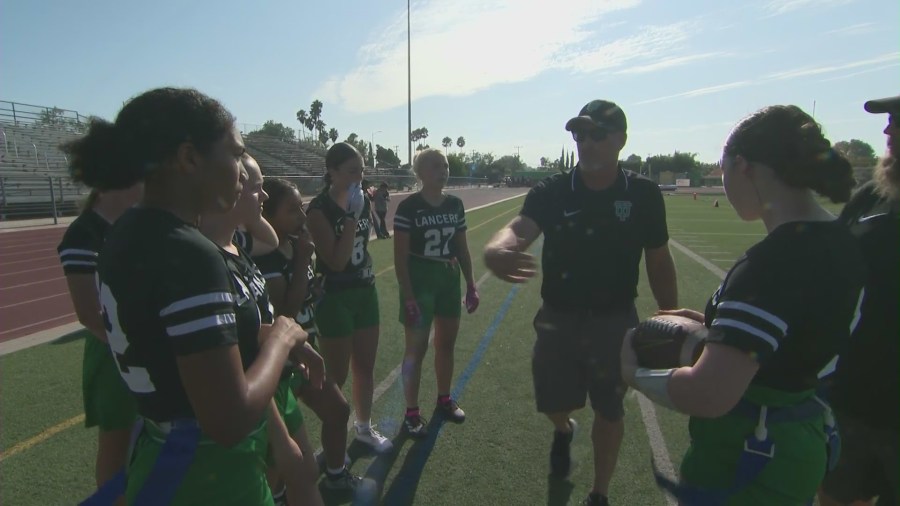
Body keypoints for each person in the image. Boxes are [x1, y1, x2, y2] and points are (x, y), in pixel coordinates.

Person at [72, 87, 308, 505]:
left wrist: (259, 335)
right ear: (189, 158)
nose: (241, 170)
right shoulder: (188, 253)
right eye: (235, 155)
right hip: (205, 472)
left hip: (162, 452)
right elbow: (229, 419)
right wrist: (282, 340)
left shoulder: (127, 232)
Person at [621, 105, 865, 506]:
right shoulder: (841, 241)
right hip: (801, 440)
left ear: (744, 166)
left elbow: (710, 394)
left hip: (750, 457)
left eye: (724, 169)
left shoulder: (772, 263)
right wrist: (716, 327)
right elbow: (794, 336)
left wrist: (634, 372)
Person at [484, 99, 678, 506]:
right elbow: (519, 229)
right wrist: (498, 249)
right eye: (579, 135)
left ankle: (599, 494)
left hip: (615, 320)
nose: (586, 143)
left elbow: (658, 260)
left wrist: (671, 315)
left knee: (610, 409)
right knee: (554, 401)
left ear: (621, 140)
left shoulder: (642, 194)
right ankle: (563, 428)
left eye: (597, 134)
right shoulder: (554, 190)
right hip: (558, 318)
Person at [200, 156, 324, 506]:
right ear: (229, 190)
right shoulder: (205, 260)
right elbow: (231, 355)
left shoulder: (237, 245)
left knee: (303, 473)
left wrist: (289, 342)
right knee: (287, 474)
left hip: (269, 383)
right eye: (256, 187)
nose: (265, 197)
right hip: (248, 401)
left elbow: (250, 327)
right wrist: (283, 339)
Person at [254, 177, 364, 492]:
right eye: (292, 210)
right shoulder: (268, 257)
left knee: (338, 410)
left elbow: (300, 299)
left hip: (303, 357)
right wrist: (303, 262)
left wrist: (312, 288)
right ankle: (276, 496)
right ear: (268, 215)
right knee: (278, 451)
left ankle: (334, 475)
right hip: (277, 366)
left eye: (301, 207)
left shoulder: (295, 245)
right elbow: (284, 314)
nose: (301, 216)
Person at [819, 95, 900, 506]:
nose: (887, 132)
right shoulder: (872, 196)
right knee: (833, 496)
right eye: (889, 121)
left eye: (898, 122)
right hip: (852, 396)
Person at [55, 181, 142, 496]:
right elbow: (90, 316)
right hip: (116, 355)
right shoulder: (85, 233)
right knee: (117, 446)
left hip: (147, 346)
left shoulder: (137, 222)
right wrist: (140, 351)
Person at [305, 142, 392, 453]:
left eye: (363, 170)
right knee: (336, 376)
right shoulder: (318, 209)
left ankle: (364, 428)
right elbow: (336, 261)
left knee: (365, 367)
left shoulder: (363, 200)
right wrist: (352, 217)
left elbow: (361, 251)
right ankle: (332, 437)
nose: (360, 176)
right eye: (353, 170)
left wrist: (358, 210)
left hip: (365, 291)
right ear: (332, 172)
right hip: (336, 296)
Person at [393, 149, 479, 438]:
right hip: (420, 279)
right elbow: (401, 257)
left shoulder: (455, 204)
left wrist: (470, 283)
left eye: (444, 165)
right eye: (434, 166)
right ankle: (411, 412)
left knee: (446, 344)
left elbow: (462, 248)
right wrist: (407, 295)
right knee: (415, 351)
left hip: (447, 278)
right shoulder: (409, 207)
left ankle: (444, 398)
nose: (442, 170)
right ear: (420, 172)